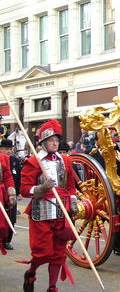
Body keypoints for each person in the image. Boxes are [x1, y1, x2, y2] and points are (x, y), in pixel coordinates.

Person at [20, 119, 78, 292]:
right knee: (42, 252)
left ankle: (52, 287)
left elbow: (70, 187)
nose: (54, 143)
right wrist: (41, 188)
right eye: (51, 140)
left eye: (56, 140)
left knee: (59, 254)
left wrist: (73, 201)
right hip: (42, 211)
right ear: (43, 143)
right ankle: (31, 273)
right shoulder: (33, 162)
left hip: (61, 211)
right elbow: (24, 190)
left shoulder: (65, 161)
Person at [0, 139, 19, 250]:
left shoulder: (5, 159)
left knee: (8, 217)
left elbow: (8, 177)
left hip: (3, 192)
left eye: (10, 149)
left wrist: (12, 193)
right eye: (6, 148)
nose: (9, 151)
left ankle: (5, 240)